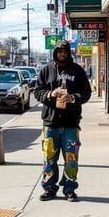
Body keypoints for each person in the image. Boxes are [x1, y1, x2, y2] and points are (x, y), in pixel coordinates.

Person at [32, 40, 91, 202]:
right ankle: (49, 188)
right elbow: (37, 92)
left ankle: (70, 189)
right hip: (51, 123)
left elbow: (86, 93)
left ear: (68, 53)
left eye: (64, 51)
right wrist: (50, 94)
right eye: (59, 51)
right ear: (55, 53)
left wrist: (73, 97)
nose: (62, 54)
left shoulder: (77, 70)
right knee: (49, 159)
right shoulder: (46, 70)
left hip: (71, 124)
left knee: (71, 159)